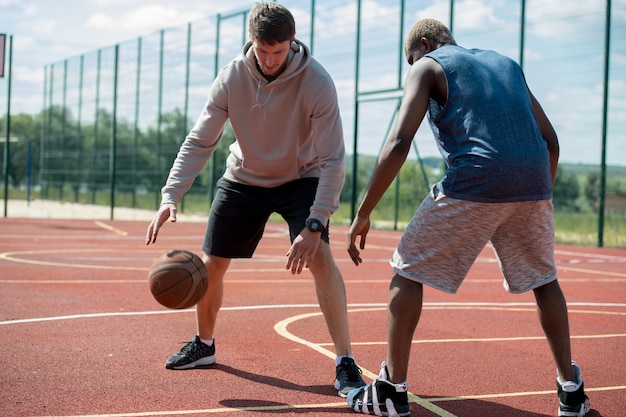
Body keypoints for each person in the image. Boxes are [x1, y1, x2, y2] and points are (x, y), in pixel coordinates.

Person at [345, 18, 589, 417]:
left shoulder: (429, 65)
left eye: (411, 60)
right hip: (534, 181)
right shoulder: (507, 63)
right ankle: (572, 391)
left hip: (476, 177)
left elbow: (399, 140)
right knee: (544, 280)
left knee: (406, 270)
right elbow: (551, 142)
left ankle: (390, 390)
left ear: (424, 45)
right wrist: (537, 196)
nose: (413, 68)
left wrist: (364, 211)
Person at [145, 1, 366, 397]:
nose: (268, 60)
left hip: (302, 175)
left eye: (277, 52)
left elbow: (333, 160)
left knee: (321, 257)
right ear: (251, 42)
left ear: (292, 42)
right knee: (210, 263)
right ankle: (205, 345)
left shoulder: (317, 82)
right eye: (262, 51)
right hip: (244, 176)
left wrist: (315, 223)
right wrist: (170, 194)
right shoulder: (231, 77)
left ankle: (346, 362)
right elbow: (200, 141)